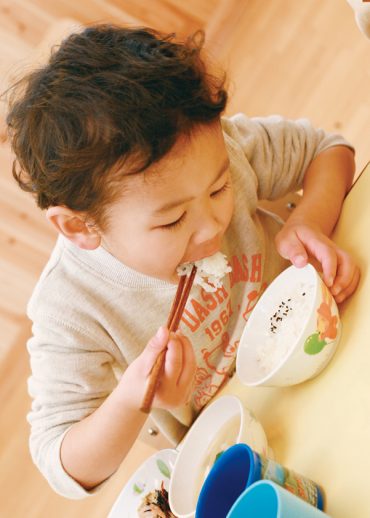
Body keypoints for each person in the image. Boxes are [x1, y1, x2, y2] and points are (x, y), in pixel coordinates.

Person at [6, 24, 359, 499]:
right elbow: (60, 462)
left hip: (332, 327)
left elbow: (326, 151)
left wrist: (309, 222)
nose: (213, 224)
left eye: (218, 190)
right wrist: (134, 400)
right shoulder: (72, 307)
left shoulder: (213, 156)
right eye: (172, 221)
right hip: (261, 439)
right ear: (80, 227)